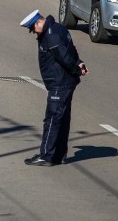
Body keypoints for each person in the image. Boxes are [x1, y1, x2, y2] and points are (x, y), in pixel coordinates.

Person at [20, 9, 89, 166]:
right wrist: (79, 63)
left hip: (59, 83)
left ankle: (46, 156)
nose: (33, 33)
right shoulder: (58, 28)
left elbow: (64, 57)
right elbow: (71, 49)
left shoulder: (50, 36)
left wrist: (77, 68)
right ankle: (59, 154)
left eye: (32, 29)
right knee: (62, 119)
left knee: (52, 119)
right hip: (66, 82)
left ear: (39, 22)